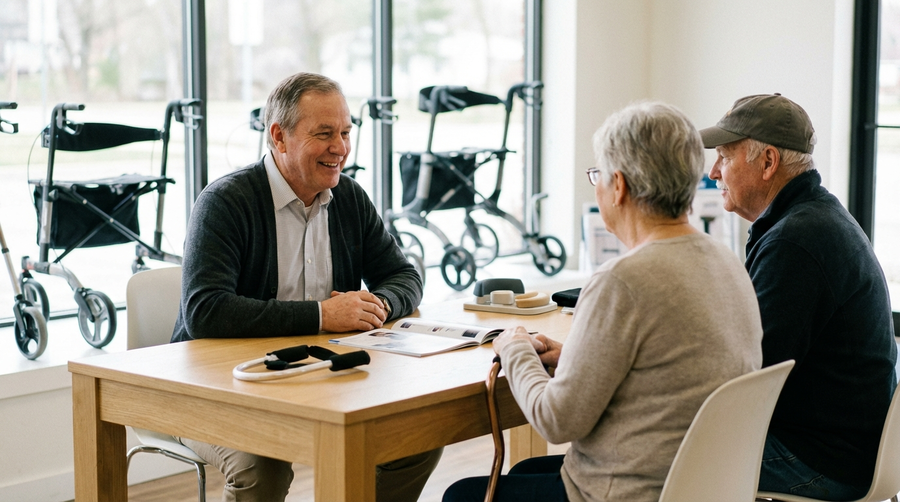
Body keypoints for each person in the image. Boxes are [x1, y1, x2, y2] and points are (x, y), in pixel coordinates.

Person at [443, 102, 763, 502]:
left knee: (460, 495)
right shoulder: (727, 261)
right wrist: (577, 357)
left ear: (619, 186)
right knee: (525, 470)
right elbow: (665, 371)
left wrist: (514, 347)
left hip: (628, 492)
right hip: (700, 485)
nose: (596, 186)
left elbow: (556, 421)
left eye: (597, 174)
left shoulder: (622, 280)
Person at [170, 72, 441, 502]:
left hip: (316, 376)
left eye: (346, 133)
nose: (341, 148)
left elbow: (404, 276)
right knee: (261, 466)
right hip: (216, 387)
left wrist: (377, 305)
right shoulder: (225, 202)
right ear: (279, 136)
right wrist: (322, 315)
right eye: (325, 134)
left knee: (415, 437)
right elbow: (205, 311)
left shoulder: (349, 198)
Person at [701, 93, 898, 500]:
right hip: (852, 448)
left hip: (824, 461)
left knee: (657, 452)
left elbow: (748, 375)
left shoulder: (795, 241)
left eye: (724, 157)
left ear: (768, 162)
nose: (714, 172)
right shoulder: (815, 217)